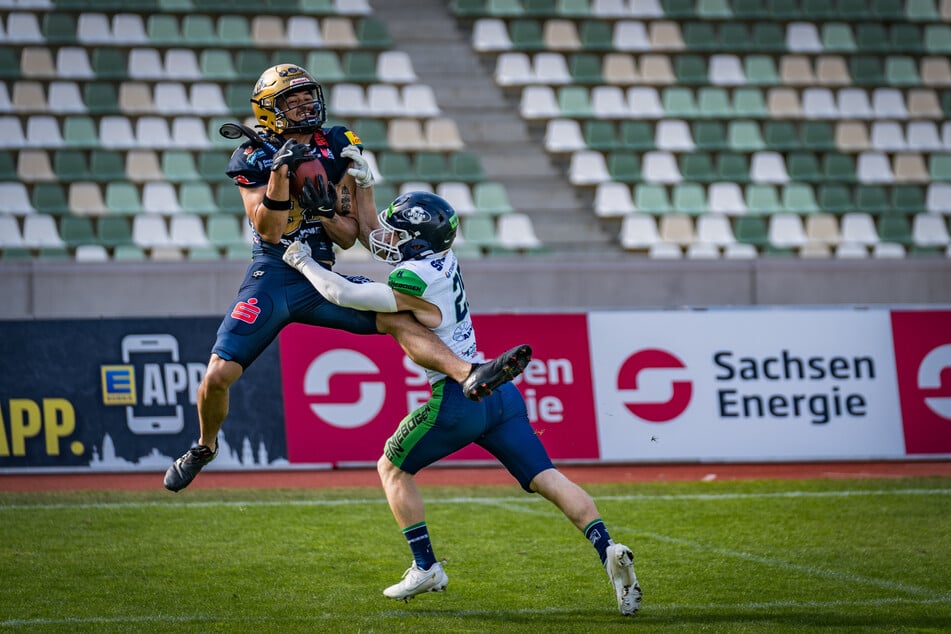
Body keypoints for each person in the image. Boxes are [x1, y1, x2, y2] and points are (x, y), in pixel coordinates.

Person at [164, 65, 531, 492]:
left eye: (307, 97)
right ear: (269, 110)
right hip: (273, 273)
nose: (304, 105)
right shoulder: (254, 156)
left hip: (319, 272)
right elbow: (268, 230)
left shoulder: (336, 144)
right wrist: (282, 175)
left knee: (397, 316)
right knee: (218, 374)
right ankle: (204, 447)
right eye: (291, 100)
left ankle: (468, 373)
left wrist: (324, 211)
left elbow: (348, 233)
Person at [282, 191, 642, 616]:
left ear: (417, 239)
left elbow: (343, 296)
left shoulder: (412, 278)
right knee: (547, 477)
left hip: (460, 395)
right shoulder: (442, 261)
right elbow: (382, 246)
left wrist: (302, 260)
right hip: (499, 394)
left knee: (392, 468)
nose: (390, 238)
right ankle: (607, 548)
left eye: (399, 233)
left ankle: (425, 565)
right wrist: (362, 183)